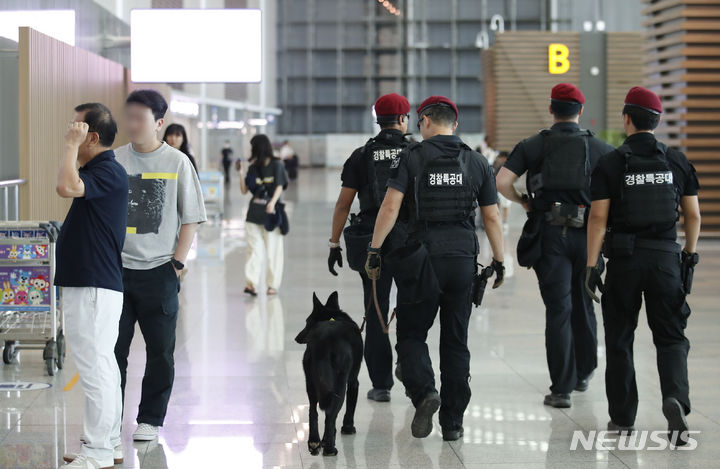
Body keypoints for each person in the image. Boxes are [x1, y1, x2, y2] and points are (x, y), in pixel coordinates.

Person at [366, 96, 505, 441]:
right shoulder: (476, 162)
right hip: (461, 260)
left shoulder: (411, 157)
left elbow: (390, 207)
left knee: (412, 335)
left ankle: (425, 392)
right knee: (456, 341)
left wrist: (374, 248)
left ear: (425, 121)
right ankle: (454, 423)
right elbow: (491, 216)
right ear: (454, 125)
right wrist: (500, 260)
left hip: (420, 260)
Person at [585, 86, 701, 444]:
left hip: (624, 261)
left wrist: (592, 266)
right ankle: (674, 399)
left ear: (627, 119)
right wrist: (688, 256)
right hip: (666, 259)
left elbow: (598, 219)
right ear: (658, 120)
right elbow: (693, 215)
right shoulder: (677, 161)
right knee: (671, 337)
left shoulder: (611, 162)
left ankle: (622, 419)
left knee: (620, 339)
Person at [496, 83, 614, 409]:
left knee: (558, 310)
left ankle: (560, 389)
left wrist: (524, 202)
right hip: (589, 233)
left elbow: (502, 182)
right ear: (580, 112)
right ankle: (584, 373)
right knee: (584, 303)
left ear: (551, 109)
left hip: (551, 235)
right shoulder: (601, 149)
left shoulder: (534, 145)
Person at [114, 89, 207, 442]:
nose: (132, 124)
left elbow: (191, 218)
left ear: (159, 122)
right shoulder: (115, 161)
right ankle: (109, 421)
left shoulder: (177, 162)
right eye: (129, 117)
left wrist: (177, 263)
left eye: (140, 118)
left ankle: (150, 419)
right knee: (113, 353)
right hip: (117, 273)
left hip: (159, 272)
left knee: (161, 354)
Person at [55, 103, 128, 469]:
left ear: (92, 136)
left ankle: (97, 451)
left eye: (77, 128)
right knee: (103, 366)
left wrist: (70, 146)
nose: (72, 131)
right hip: (93, 284)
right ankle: (108, 443)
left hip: (94, 286)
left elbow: (65, 186)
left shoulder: (108, 171)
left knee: (96, 368)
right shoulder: (100, 171)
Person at [327, 93, 411, 402]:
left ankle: (382, 385)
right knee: (411, 306)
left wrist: (334, 243)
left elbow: (342, 205)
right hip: (410, 241)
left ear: (378, 119)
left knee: (375, 309)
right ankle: (409, 363)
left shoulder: (361, 155)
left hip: (371, 243)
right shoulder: (415, 152)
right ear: (404, 120)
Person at [238, 134, 289, 296]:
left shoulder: (276, 165)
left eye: (253, 147)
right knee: (254, 250)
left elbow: (280, 186)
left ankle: (272, 285)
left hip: (271, 216)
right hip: (253, 215)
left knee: (273, 251)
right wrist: (240, 173)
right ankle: (251, 284)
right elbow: (244, 190)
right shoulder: (253, 168)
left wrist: (272, 202)